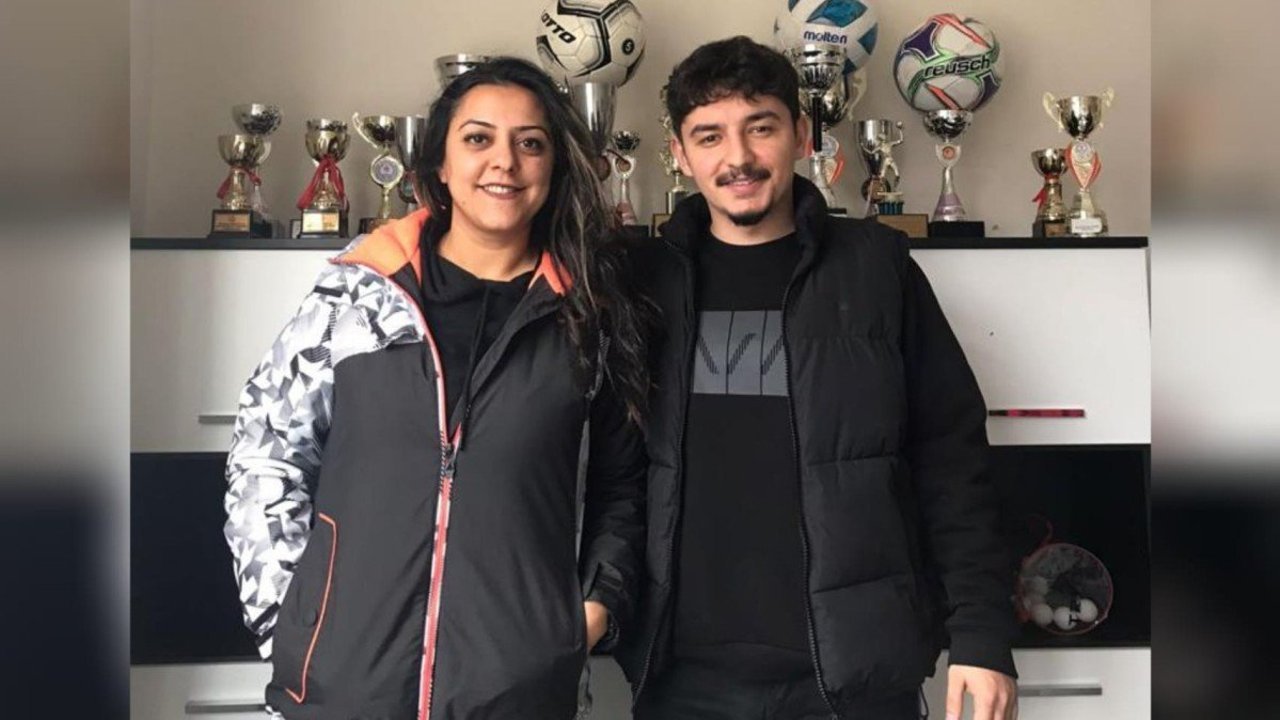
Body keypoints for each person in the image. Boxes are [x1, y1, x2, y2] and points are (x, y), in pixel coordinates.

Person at [223, 57, 648, 720]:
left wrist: (587, 615)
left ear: (554, 167)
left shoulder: (587, 316)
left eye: (530, 143)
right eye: (478, 138)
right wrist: (293, 624)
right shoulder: (355, 297)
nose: (504, 161)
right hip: (341, 694)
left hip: (519, 696)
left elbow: (622, 487)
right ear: (441, 165)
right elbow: (265, 452)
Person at [615, 36, 1018, 720]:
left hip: (855, 676)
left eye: (761, 128)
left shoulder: (877, 269)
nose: (738, 158)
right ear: (679, 154)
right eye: (709, 136)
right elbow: (614, 475)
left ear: (802, 135)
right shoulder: (644, 283)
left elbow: (950, 458)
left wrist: (981, 633)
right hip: (682, 679)